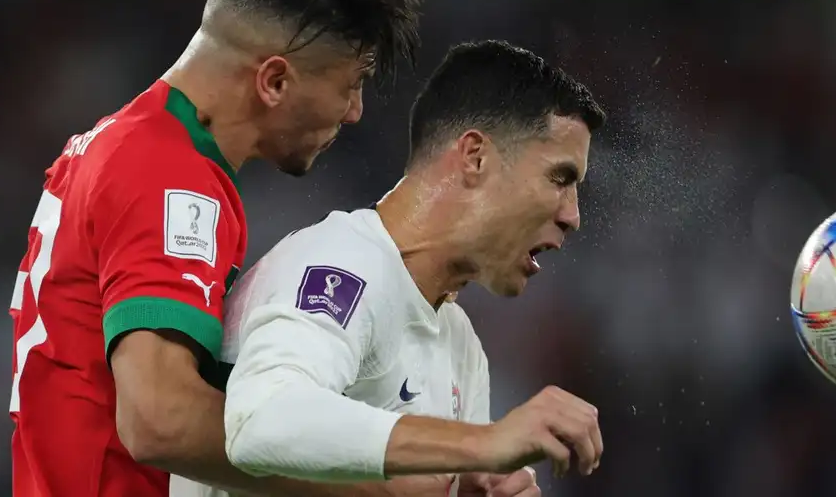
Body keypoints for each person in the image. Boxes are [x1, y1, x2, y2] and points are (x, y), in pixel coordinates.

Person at [8, 0, 426, 497]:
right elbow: (161, 421)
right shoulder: (167, 177)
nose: (354, 111)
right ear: (274, 81)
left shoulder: (119, 143)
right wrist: (372, 487)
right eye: (351, 83)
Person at [211, 40, 607, 497]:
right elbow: (259, 421)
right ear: (475, 157)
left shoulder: (461, 346)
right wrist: (482, 443)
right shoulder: (343, 267)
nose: (572, 216)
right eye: (559, 179)